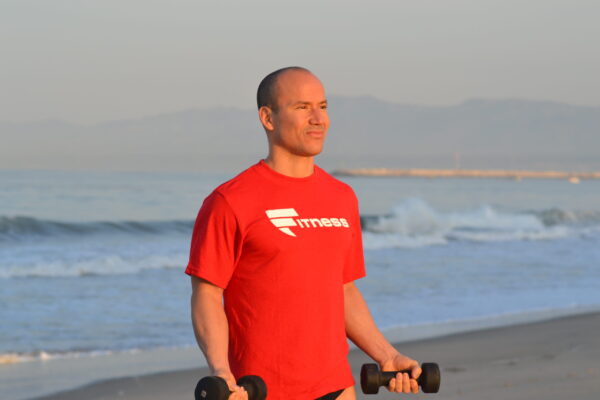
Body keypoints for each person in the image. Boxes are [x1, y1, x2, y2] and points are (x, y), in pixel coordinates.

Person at [186, 67, 422, 400]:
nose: (318, 118)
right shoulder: (230, 201)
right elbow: (207, 293)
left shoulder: (341, 197)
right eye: (302, 107)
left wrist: (386, 355)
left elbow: (343, 289)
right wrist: (220, 370)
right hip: (258, 390)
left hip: (335, 386)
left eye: (323, 106)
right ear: (268, 118)